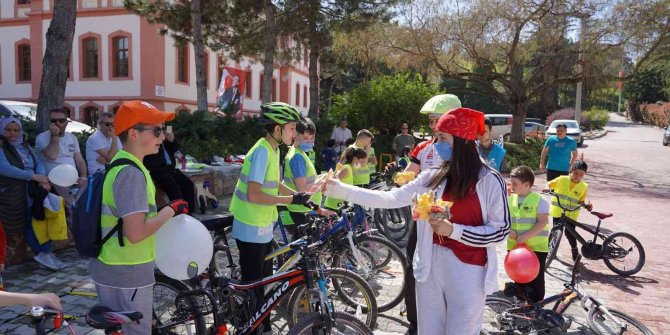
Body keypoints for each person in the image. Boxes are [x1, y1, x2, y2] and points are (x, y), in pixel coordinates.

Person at [324, 107, 510, 335]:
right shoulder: (432, 176)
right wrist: (339, 189)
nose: (437, 144)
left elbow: (500, 231)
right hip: (429, 269)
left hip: (467, 273)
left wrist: (454, 230)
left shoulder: (489, 180)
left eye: (442, 138)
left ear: (461, 140)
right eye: (436, 137)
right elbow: (389, 198)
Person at [88, 100, 189, 335]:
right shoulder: (131, 173)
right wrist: (170, 210)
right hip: (126, 271)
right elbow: (135, 233)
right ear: (133, 133)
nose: (162, 137)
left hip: (118, 267)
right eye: (156, 130)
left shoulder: (127, 165)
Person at [229, 102, 312, 334]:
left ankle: (262, 326)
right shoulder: (262, 151)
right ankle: (252, 327)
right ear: (277, 129)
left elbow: (273, 183)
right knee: (255, 285)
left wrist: (297, 195)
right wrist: (289, 201)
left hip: (262, 225)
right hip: (249, 225)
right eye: (292, 128)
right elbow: (254, 193)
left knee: (264, 282)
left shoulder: (274, 149)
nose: (295, 134)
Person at [393, 93, 461, 335]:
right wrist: (399, 176)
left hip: (453, 220)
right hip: (423, 219)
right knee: (415, 264)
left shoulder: (465, 148)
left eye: (437, 120)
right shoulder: (423, 146)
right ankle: (415, 319)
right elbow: (409, 175)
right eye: (431, 121)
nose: (433, 126)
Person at [0, 117, 62, 270]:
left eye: (16, 130)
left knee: (39, 221)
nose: (12, 133)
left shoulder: (25, 146)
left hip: (32, 190)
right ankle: (42, 253)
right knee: (27, 222)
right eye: (8, 130)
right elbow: (4, 168)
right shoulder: (1, 147)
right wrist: (33, 176)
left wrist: (42, 179)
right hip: (13, 193)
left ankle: (46, 253)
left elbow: (38, 163)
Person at [34, 108, 87, 224]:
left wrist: (83, 177)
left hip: (73, 179)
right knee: (71, 206)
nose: (57, 123)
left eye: (61, 120)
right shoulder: (42, 138)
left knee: (85, 202)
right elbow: (52, 155)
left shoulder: (72, 138)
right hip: (54, 180)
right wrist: (54, 136)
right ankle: (73, 238)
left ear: (67, 122)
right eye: (54, 121)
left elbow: (80, 160)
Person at [506, 165, 549, 303]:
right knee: (518, 276)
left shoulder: (539, 201)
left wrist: (525, 237)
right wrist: (509, 230)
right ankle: (520, 301)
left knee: (535, 278)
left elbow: (542, 222)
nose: (512, 186)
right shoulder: (509, 199)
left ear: (526, 184)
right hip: (515, 248)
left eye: (515, 184)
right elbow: (504, 219)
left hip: (536, 248)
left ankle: (536, 304)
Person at [279, 118, 321, 238]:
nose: (310, 142)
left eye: (312, 138)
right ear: (295, 136)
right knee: (305, 251)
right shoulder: (298, 157)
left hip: (302, 209)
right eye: (306, 138)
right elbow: (302, 190)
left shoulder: (299, 152)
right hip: (299, 210)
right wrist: (321, 182)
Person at [544, 160, 591, 261]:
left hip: (571, 214)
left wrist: (586, 205)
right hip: (558, 211)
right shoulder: (561, 179)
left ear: (584, 174)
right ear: (571, 170)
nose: (577, 176)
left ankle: (574, 249)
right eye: (575, 173)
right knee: (555, 230)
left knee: (570, 234)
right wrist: (547, 188)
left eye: (581, 174)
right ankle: (550, 251)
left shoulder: (584, 186)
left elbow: (581, 201)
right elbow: (549, 184)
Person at [143, 129, 196, 211]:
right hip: (157, 169)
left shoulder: (166, 132)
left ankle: (190, 213)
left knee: (188, 184)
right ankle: (179, 214)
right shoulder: (151, 132)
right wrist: (159, 137)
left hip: (171, 168)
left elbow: (176, 150)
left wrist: (172, 140)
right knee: (175, 189)